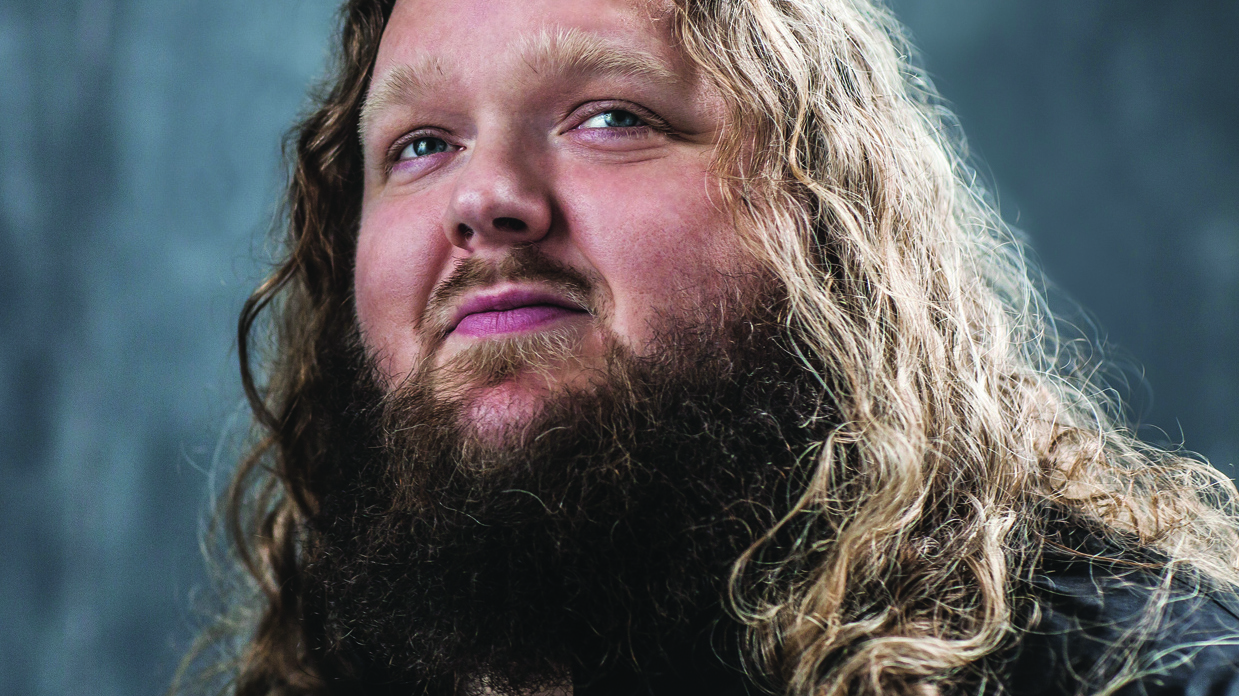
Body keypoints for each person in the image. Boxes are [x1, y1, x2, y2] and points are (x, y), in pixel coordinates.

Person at [190, 0, 1239, 694]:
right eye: (421, 145)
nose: (486, 199)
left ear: (816, 218)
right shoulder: (336, 669)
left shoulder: (1132, 669)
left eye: (608, 117)